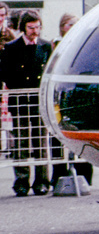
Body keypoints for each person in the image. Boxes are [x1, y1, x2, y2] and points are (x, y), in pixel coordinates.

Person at [2, 11, 53, 196]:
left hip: (39, 101)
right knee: (22, 142)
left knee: (40, 141)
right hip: (20, 100)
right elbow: (5, 73)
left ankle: (42, 181)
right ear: (24, 27)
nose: (35, 31)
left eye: (38, 27)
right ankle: (22, 181)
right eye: (31, 28)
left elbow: (49, 70)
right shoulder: (11, 47)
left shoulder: (46, 46)